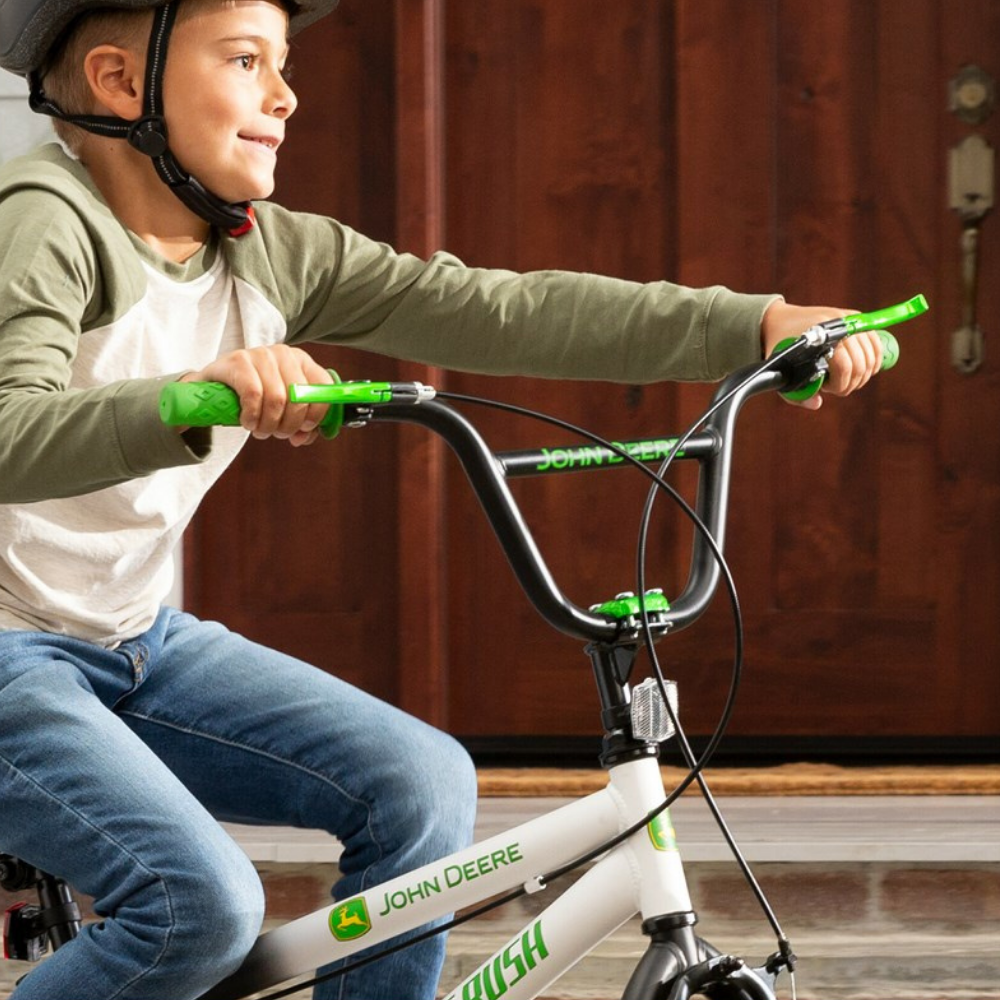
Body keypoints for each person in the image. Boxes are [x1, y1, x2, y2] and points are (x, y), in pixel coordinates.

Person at [0, 1, 883, 998]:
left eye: (283, 64)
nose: (285, 96)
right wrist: (188, 397)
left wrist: (756, 322)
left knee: (419, 783)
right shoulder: (44, 222)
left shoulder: (268, 251)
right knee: (196, 902)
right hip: (7, 659)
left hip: (127, 638)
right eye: (246, 61)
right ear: (122, 85)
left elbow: (498, 308)